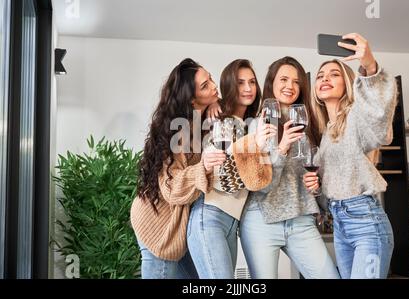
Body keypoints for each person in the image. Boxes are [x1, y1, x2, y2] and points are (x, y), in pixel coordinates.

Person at [304, 33, 397, 279]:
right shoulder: (325, 135)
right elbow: (330, 191)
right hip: (340, 224)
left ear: (347, 81)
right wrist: (316, 188)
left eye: (334, 74)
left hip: (366, 222)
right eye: (320, 76)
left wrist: (369, 65)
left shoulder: (356, 116)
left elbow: (379, 116)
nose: (325, 79)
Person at [239, 56, 340, 279]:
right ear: (271, 83)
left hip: (301, 219)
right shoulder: (257, 126)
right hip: (262, 221)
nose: (290, 86)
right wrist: (282, 148)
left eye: (296, 82)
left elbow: (316, 178)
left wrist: (317, 187)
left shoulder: (309, 125)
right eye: (284, 79)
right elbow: (262, 186)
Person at [130, 58, 226, 279]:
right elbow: (171, 187)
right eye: (205, 86)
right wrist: (203, 167)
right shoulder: (180, 133)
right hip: (158, 225)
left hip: (177, 226)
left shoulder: (196, 120)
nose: (214, 86)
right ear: (192, 100)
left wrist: (213, 102)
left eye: (210, 78)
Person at [188, 59, 272, 279]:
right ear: (228, 85)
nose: (247, 88)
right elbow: (227, 179)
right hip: (211, 216)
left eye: (252, 82)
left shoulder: (249, 125)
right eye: (240, 82)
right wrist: (255, 146)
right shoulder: (220, 122)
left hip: (231, 223)